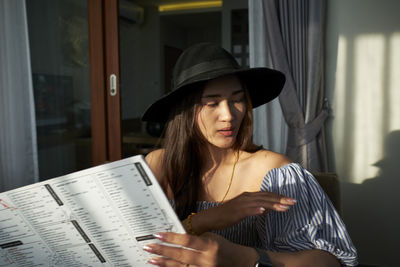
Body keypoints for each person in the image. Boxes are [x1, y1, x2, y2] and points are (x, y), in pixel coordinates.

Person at [141, 43, 357, 267]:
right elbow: (138, 250)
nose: (228, 115)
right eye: (212, 103)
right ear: (184, 111)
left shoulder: (274, 171)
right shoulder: (158, 164)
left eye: (237, 99)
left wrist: (245, 258)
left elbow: (330, 262)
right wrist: (209, 218)